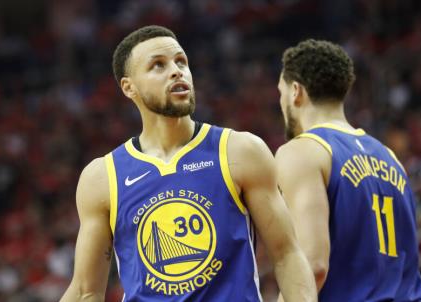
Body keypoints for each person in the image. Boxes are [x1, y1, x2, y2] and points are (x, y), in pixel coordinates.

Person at [60, 25, 316, 302]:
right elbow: (86, 291)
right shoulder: (102, 176)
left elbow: (287, 255)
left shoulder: (240, 150)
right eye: (158, 65)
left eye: (181, 61)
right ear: (128, 87)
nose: (176, 70)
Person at [275, 39, 421, 301]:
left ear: (296, 91)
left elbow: (313, 266)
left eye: (281, 92)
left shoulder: (302, 152)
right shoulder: (391, 159)